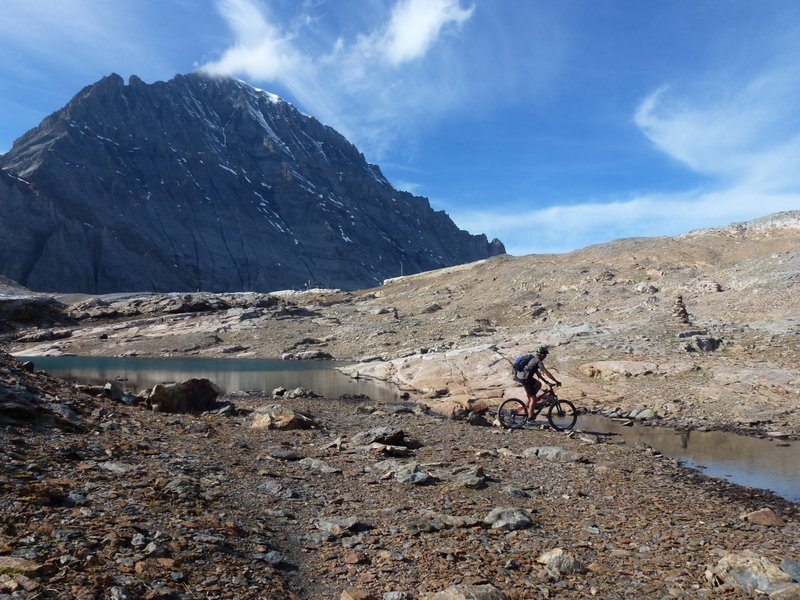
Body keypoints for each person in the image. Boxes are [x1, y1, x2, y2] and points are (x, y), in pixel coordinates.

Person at [513, 346, 561, 418]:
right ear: (542, 355)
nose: (545, 357)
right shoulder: (538, 361)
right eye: (545, 355)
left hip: (522, 376)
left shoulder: (533, 358)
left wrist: (546, 381)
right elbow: (546, 372)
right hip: (525, 379)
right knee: (533, 399)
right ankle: (530, 418)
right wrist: (556, 381)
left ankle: (531, 399)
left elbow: (537, 373)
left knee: (538, 384)